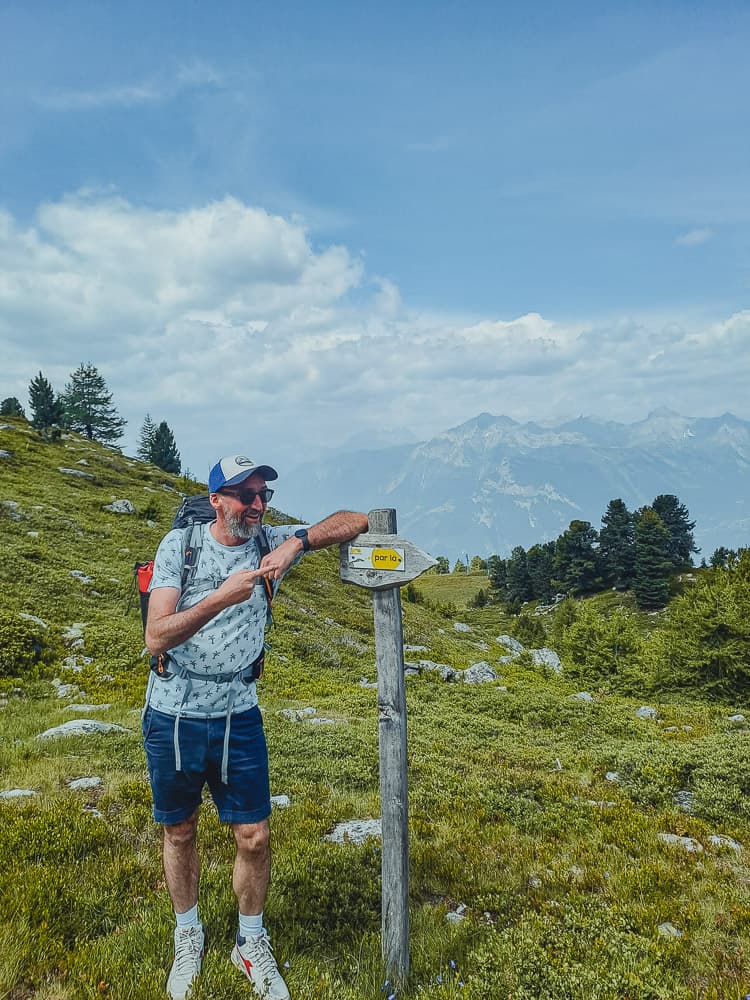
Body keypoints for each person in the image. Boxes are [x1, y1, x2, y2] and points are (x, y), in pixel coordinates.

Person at [143, 454, 368, 1000]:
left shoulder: (268, 542)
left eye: (264, 495)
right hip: (174, 710)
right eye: (246, 496)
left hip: (239, 710)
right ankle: (188, 933)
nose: (258, 505)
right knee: (180, 830)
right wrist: (221, 597)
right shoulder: (180, 547)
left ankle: (249, 941)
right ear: (216, 501)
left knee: (255, 835)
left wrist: (299, 543)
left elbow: (356, 520)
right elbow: (156, 636)